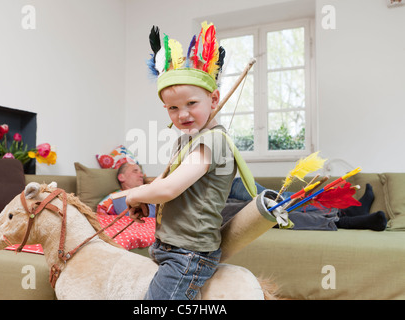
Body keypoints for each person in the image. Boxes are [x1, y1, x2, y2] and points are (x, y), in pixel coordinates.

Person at [124, 23, 237, 300]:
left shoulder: (213, 141)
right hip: (168, 245)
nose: (182, 114)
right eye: (173, 108)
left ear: (214, 99)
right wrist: (143, 198)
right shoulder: (186, 140)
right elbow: (163, 183)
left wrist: (133, 194)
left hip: (189, 253)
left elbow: (168, 190)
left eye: (191, 104)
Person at [225, 178, 387, 231]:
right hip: (213, 207)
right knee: (271, 210)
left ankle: (347, 212)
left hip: (222, 193)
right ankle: (344, 218)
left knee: (275, 200)